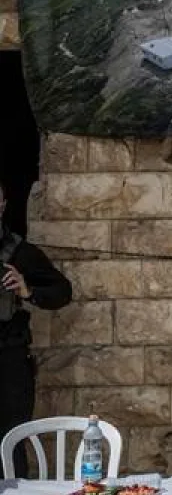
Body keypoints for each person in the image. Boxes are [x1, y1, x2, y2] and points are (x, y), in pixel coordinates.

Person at [0, 180, 73, 479]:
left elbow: (62, 291)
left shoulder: (20, 252)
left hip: (8, 363)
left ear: (3, 205)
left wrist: (27, 291)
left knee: (10, 442)